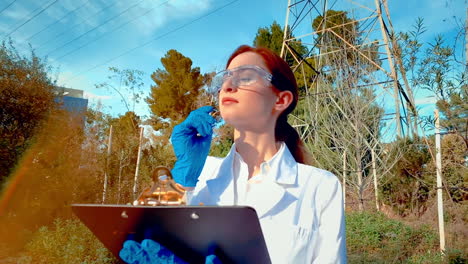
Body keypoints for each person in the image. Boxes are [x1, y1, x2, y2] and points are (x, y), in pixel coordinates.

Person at [121, 45, 347, 264]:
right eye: (225, 78)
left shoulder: (320, 186)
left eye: (246, 77)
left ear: (280, 100)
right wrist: (183, 173)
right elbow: (145, 237)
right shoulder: (201, 172)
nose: (228, 85)